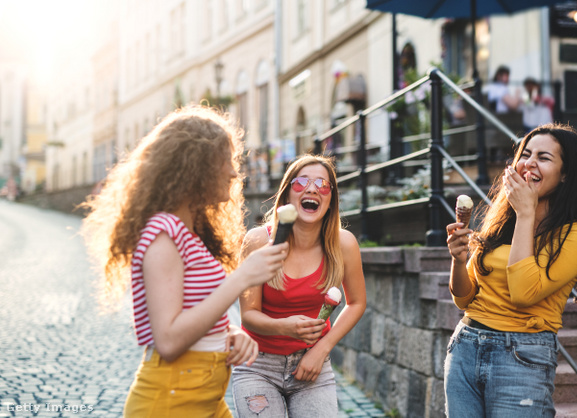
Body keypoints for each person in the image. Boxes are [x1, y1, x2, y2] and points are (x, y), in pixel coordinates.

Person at [81, 105, 289, 417]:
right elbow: (168, 339)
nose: (234, 172)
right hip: (171, 400)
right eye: (225, 160)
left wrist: (226, 333)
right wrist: (241, 278)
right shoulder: (163, 234)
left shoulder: (187, 232)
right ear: (195, 167)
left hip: (203, 397)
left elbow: (193, 309)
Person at [444, 123, 577, 417]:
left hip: (522, 355)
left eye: (544, 158)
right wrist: (458, 260)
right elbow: (464, 299)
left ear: (566, 174)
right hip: (466, 346)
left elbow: (523, 292)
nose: (529, 163)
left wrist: (526, 213)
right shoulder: (503, 219)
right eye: (526, 153)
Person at [232, 154, 366, 417]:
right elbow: (248, 316)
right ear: (286, 197)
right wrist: (285, 326)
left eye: (322, 184)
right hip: (257, 365)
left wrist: (321, 349)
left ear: (330, 200)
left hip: (311, 364)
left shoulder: (344, 244)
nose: (313, 188)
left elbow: (357, 302)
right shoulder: (258, 241)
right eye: (301, 181)